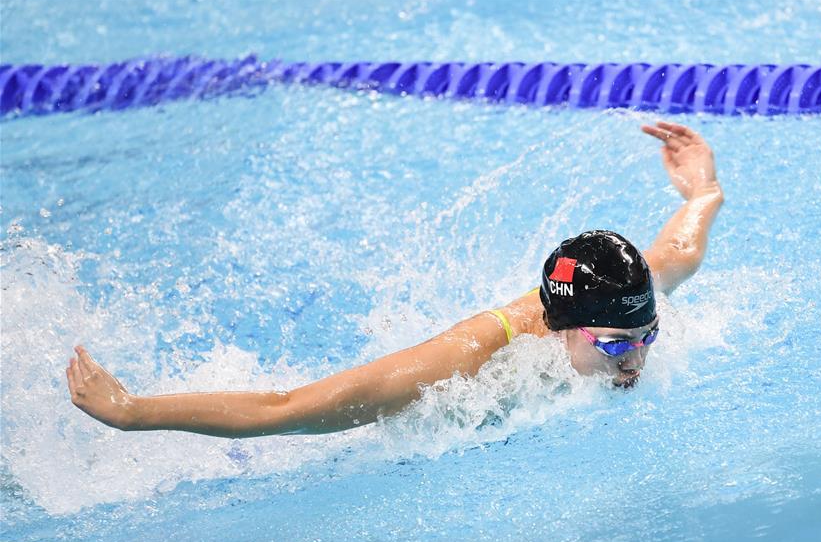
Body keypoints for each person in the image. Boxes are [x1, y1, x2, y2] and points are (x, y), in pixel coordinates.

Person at [66, 120, 724, 439]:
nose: (636, 358)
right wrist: (133, 413)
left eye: (647, 335)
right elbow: (285, 408)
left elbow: (679, 248)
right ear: (560, 328)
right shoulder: (469, 357)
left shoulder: (625, 304)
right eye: (615, 344)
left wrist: (701, 186)